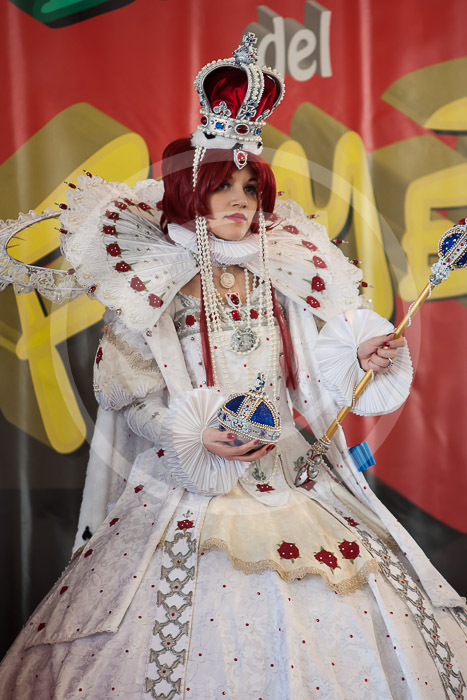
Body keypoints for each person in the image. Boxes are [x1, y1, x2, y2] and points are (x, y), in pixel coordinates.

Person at [0, 34, 466, 700]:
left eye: (250, 187)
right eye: (223, 186)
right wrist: (192, 435)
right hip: (192, 479)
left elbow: (315, 371)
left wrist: (360, 353)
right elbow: (131, 395)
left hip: (288, 471)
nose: (240, 199)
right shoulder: (151, 280)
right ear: (191, 192)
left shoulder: (283, 269)